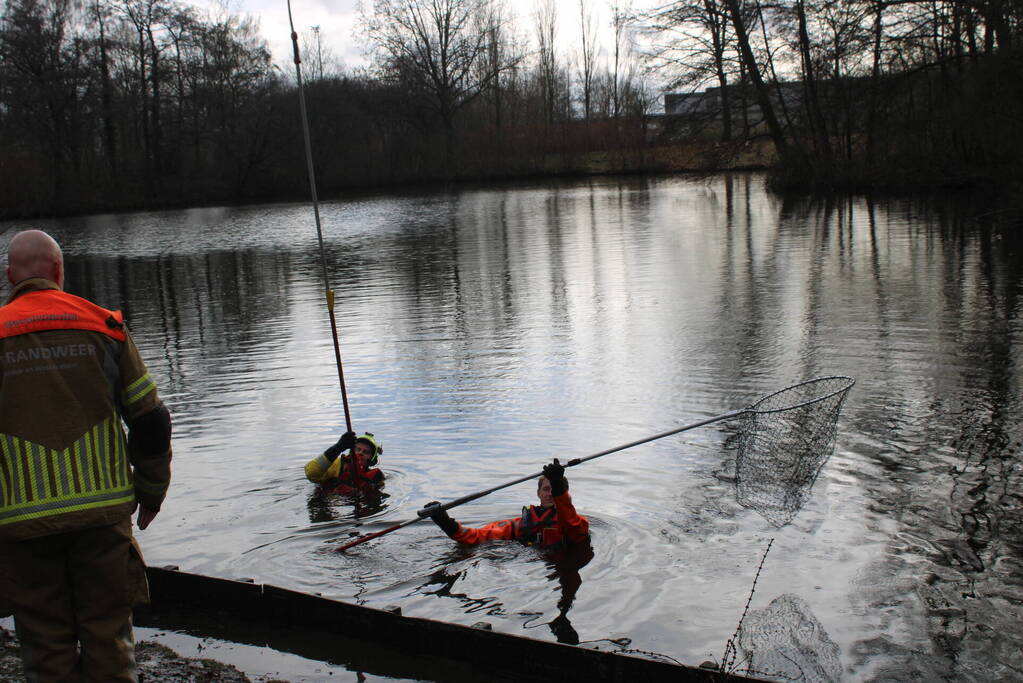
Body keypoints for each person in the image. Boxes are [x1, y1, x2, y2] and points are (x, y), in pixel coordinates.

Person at [0, 229, 173, 682]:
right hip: (102, 519)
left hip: (21, 525)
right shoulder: (104, 326)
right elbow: (150, 420)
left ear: (9, 277)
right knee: (109, 640)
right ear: (60, 272)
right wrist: (151, 491)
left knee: (45, 647)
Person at [426, 459, 588, 546]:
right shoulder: (520, 524)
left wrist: (559, 485)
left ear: (563, 493)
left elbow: (570, 521)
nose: (551, 494)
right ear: (538, 493)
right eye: (546, 489)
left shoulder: (578, 523)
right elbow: (476, 536)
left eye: (555, 489)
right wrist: (445, 522)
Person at [305, 431, 384, 494]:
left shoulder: (374, 477)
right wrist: (338, 447)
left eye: (366, 452)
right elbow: (311, 473)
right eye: (358, 449)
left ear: (372, 459)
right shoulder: (337, 464)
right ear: (351, 451)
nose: (360, 453)